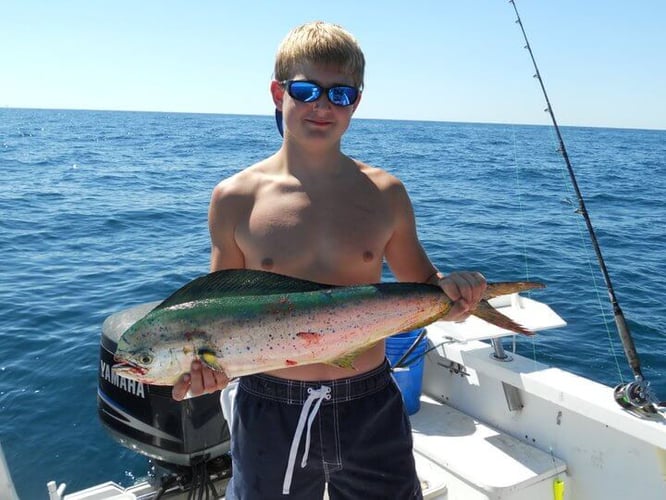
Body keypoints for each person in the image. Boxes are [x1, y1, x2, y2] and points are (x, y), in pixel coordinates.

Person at [172, 21, 486, 499]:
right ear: (278, 93)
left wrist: (457, 294)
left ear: (356, 102)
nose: (322, 105)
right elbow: (220, 319)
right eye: (305, 90)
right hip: (268, 404)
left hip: (369, 400)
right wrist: (208, 369)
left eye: (340, 94)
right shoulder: (235, 198)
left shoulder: (386, 194)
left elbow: (422, 283)